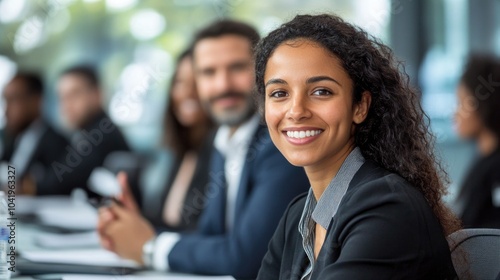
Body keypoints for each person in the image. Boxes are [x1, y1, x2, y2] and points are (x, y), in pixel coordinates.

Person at [97, 20, 309, 279]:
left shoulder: (281, 142)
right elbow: (209, 236)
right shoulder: (222, 141)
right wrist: (134, 227)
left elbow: (248, 259)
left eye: (237, 67)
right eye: (208, 72)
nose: (223, 85)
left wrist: (149, 246)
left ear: (263, 70)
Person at [255, 14, 459, 279]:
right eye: (279, 93)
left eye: (321, 91)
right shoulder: (297, 217)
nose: (296, 111)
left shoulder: (388, 207)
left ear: (360, 106)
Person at [118, 48, 216, 232]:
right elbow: (169, 223)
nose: (187, 92)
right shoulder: (184, 152)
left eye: (197, 81)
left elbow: (199, 233)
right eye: (180, 82)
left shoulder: (221, 153)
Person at [53, 65, 130, 196]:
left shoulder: (101, 132)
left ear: (97, 94)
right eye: (62, 97)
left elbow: (62, 180)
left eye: (74, 95)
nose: (67, 105)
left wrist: (32, 187)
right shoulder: (89, 132)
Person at [0, 72, 71, 195]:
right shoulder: (12, 138)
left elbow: (57, 185)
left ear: (35, 100)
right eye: (5, 100)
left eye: (13, 100)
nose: (6, 110)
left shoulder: (57, 143)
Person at [454, 54, 500, 229]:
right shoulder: (482, 161)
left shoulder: (495, 169)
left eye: (461, 103)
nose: (456, 113)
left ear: (482, 105)